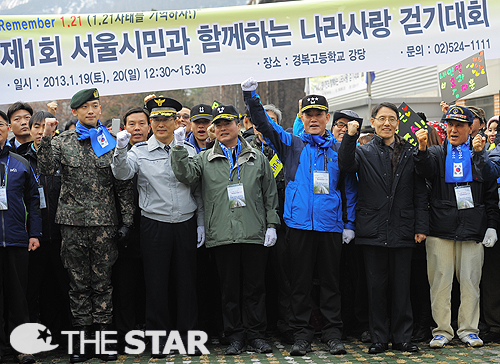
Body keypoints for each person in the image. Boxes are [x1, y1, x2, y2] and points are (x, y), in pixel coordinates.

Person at [241, 78, 357, 356]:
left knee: (331, 283)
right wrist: (250, 96)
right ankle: (301, 334)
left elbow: (349, 188)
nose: (314, 119)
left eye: (319, 114)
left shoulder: (339, 149)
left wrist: (349, 223)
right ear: (301, 118)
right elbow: (264, 125)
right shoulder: (291, 143)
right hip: (298, 226)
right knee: (299, 284)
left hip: (330, 227)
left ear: (328, 118)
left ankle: (332, 333)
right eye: (309, 115)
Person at [171, 103, 280, 356]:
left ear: (238, 125)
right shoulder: (204, 159)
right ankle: (234, 336)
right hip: (222, 233)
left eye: (227, 124)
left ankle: (256, 335)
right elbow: (185, 175)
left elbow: (269, 195)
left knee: (255, 288)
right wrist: (178, 147)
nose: (222, 129)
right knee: (229, 290)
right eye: (217, 125)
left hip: (254, 232)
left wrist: (272, 225)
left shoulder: (257, 157)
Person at [37, 88, 134, 362]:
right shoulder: (62, 141)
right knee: (78, 285)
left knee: (103, 285)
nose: (92, 111)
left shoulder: (111, 141)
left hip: (104, 224)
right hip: (73, 225)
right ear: (75, 112)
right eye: (86, 107)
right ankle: (81, 343)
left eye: (96, 106)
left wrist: (127, 221)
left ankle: (103, 342)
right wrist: (46, 136)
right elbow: (45, 168)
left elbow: (123, 185)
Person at [111, 97, 204, 357]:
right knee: (156, 284)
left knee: (186, 283)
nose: (161, 124)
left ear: (177, 121)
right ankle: (159, 340)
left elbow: (197, 190)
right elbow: (122, 174)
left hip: (185, 222)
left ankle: (189, 338)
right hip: (155, 224)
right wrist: (119, 150)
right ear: (151, 124)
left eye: (166, 119)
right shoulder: (139, 151)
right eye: (156, 119)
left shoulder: (189, 150)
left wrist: (200, 223)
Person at [338, 102, 428, 354]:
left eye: (391, 119)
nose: (386, 123)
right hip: (372, 228)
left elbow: (420, 192)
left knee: (402, 288)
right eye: (381, 119)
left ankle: (402, 338)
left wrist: (421, 226)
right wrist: (350, 137)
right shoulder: (364, 151)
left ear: (398, 123)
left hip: (403, 228)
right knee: (375, 288)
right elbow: (345, 165)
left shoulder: (410, 152)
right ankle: (378, 337)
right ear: (373, 122)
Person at [414, 105, 499, 348]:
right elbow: (422, 170)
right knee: (440, 281)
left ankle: (469, 329)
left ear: (470, 128)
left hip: (472, 230)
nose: (453, 129)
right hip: (440, 229)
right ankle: (442, 329)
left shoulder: (479, 153)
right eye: (450, 124)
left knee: (471, 281)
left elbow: (491, 190)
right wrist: (420, 150)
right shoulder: (436, 153)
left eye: (459, 125)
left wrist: (491, 226)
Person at [22, 111, 70, 345]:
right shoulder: (22, 159)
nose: (41, 132)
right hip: (34, 238)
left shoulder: (62, 157)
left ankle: (66, 338)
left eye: (46, 127)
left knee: (64, 289)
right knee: (34, 291)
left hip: (62, 235)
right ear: (30, 131)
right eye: (37, 127)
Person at [0, 109, 42, 364]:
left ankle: (22, 348)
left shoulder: (20, 162)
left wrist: (34, 233)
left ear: (7, 129)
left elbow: (33, 201)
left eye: (0, 124)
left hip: (17, 238)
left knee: (18, 295)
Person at [111, 107, 150, 352]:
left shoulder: (160, 152)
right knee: (124, 288)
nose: (136, 128)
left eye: (141, 123)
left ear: (149, 126)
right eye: (131, 124)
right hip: (123, 233)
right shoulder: (116, 154)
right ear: (124, 128)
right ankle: (126, 336)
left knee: (152, 286)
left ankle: (151, 331)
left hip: (154, 229)